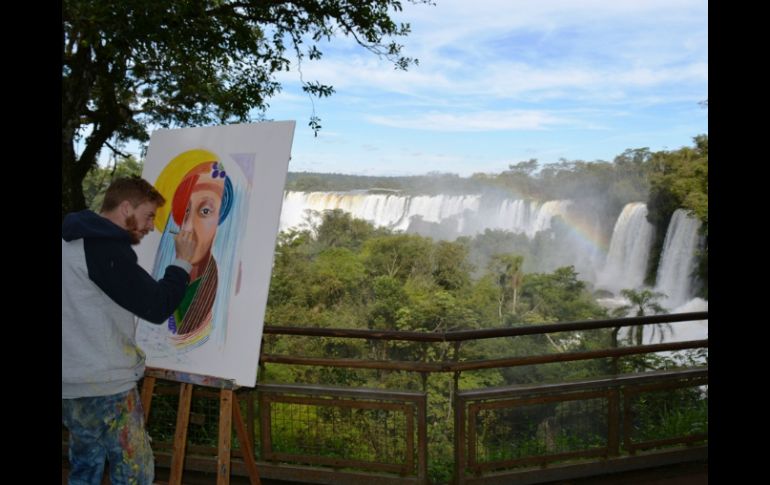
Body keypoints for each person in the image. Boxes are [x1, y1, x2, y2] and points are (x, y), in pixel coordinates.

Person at [62, 176, 198, 485]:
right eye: (149, 215)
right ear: (126, 207)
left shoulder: (69, 241)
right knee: (135, 474)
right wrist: (183, 262)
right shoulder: (104, 248)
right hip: (106, 385)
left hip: (70, 384)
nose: (152, 225)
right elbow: (156, 306)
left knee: (85, 468)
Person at [163, 160, 232, 347]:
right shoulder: (165, 276)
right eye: (185, 210)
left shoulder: (218, 289)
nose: (187, 227)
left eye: (205, 211)